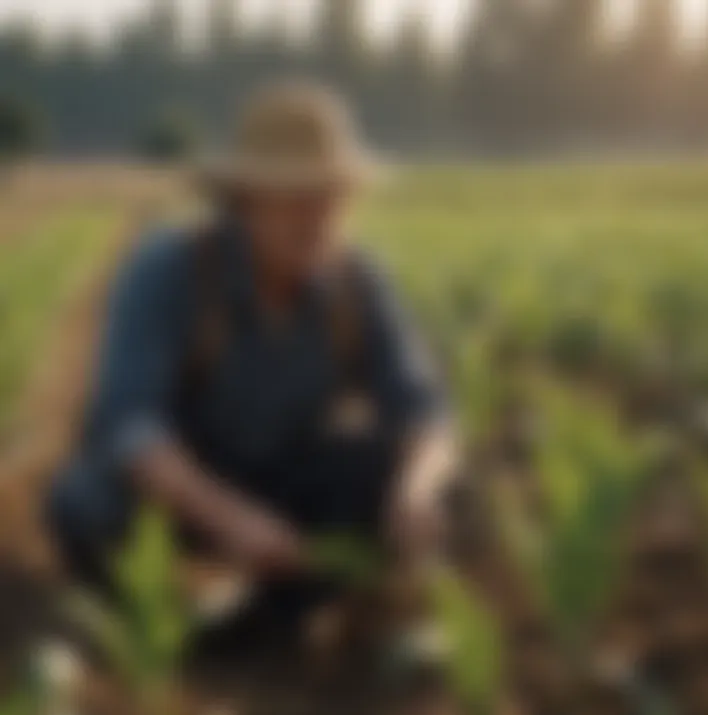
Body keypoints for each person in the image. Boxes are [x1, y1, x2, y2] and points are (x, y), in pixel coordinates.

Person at [46, 81, 455, 654]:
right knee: (83, 501)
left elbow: (425, 412)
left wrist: (415, 490)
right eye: (294, 197)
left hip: (286, 486)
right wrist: (230, 519)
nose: (317, 216)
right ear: (244, 199)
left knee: (396, 471)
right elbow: (129, 427)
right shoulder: (170, 268)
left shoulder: (356, 281)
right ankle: (151, 634)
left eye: (331, 197)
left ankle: (269, 621)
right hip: (181, 491)